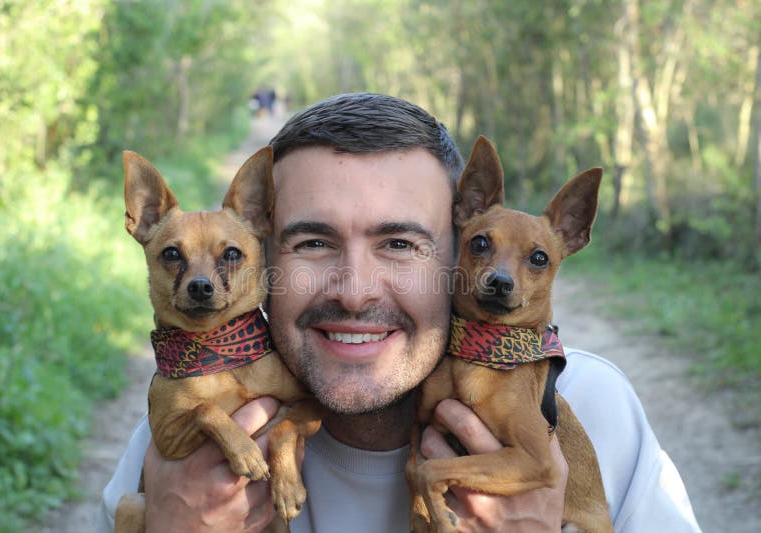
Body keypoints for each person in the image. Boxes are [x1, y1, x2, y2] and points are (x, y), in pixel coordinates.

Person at [97, 93, 701, 532]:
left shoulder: (595, 408)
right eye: (312, 242)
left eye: (400, 244)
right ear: (261, 249)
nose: (356, 292)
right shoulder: (184, 445)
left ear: (458, 248)